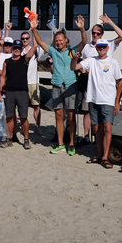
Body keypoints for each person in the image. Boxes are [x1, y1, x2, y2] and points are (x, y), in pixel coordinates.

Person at [30, 17, 83, 155]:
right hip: (57, 85)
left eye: (61, 40)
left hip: (71, 85)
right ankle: (60, 144)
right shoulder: (53, 51)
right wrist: (34, 28)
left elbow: (84, 42)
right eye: (57, 40)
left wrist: (82, 29)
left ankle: (71, 143)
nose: (58, 42)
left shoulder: (72, 51)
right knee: (58, 116)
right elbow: (41, 42)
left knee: (71, 116)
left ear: (66, 40)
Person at [71, 38, 122, 169]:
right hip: (93, 100)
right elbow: (74, 67)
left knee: (107, 128)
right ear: (96, 48)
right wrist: (74, 58)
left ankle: (105, 157)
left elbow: (120, 82)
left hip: (108, 101)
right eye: (99, 47)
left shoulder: (113, 62)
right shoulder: (92, 61)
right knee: (97, 129)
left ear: (107, 48)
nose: (101, 49)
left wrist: (117, 102)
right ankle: (100, 156)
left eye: (104, 47)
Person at [77, 14, 122, 145]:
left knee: (106, 116)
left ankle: (104, 138)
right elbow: (77, 58)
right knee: (86, 111)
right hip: (90, 83)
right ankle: (86, 137)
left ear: (102, 34)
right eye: (93, 33)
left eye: (98, 33)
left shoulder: (108, 44)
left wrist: (110, 22)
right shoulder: (87, 47)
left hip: (107, 85)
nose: (95, 35)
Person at [0, 25, 40, 149]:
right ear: (12, 49)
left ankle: (26, 139)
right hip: (10, 91)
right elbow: (2, 78)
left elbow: (35, 46)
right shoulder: (7, 62)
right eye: (15, 47)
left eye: (18, 48)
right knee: (9, 117)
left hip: (22, 91)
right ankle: (9, 139)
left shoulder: (25, 59)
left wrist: (33, 29)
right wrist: (0, 93)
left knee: (23, 117)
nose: (16, 49)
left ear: (22, 49)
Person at [19, 27, 45, 135]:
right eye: (23, 39)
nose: (24, 40)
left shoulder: (37, 50)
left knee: (36, 106)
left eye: (26, 38)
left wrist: (33, 29)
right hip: (22, 82)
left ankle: (38, 127)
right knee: (22, 107)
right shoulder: (17, 50)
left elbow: (44, 46)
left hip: (33, 81)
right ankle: (23, 126)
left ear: (29, 39)